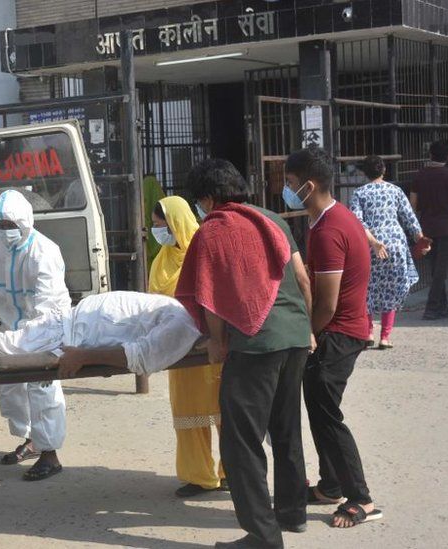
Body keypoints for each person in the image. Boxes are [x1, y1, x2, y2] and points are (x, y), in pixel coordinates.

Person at [176, 159, 313, 549]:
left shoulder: (214, 230)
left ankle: (262, 536)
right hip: (294, 335)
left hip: (255, 344)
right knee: (286, 429)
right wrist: (307, 330)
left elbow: (211, 296)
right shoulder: (273, 219)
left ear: (206, 197)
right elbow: (303, 279)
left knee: (241, 442)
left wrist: (217, 343)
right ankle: (292, 513)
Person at [284, 147, 382, 529]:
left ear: (308, 186)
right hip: (343, 328)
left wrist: (310, 332)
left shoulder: (329, 229)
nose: (288, 191)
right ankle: (330, 485)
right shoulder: (333, 218)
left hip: (339, 331)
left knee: (327, 414)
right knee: (320, 410)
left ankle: (362, 499)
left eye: (291, 185)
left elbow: (327, 301)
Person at [0, 190, 72, 481]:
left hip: (43, 331)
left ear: (26, 223)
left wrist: (24, 342)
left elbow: (46, 310)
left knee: (43, 390)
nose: (5, 232)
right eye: (0, 226)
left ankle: (50, 455)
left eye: (10, 226)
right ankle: (32, 440)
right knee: (13, 390)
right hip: (10, 328)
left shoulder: (44, 252)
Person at [149, 196, 226, 498]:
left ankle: (232, 471)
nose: (158, 232)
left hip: (211, 345)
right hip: (180, 349)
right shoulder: (162, 259)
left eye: (161, 226)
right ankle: (200, 476)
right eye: (155, 226)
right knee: (189, 411)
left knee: (224, 411)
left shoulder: (204, 250)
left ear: (175, 223)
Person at [0, 291, 202, 379]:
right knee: (3, 343)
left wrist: (83, 356)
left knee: (2, 346)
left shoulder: (184, 324)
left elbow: (139, 357)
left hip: (69, 336)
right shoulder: (183, 312)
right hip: (70, 321)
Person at [349, 155, 428, 349]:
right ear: (384, 170)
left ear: (364, 173)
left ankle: (368, 332)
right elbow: (409, 218)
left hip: (370, 246)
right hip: (396, 244)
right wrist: (421, 240)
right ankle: (385, 336)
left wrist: (374, 242)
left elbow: (357, 222)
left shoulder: (359, 193)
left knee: (367, 289)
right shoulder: (396, 191)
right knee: (391, 291)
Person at [410, 140, 448, 320]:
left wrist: (413, 227)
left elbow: (412, 203)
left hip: (427, 228)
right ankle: (432, 306)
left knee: (435, 268)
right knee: (441, 269)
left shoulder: (420, 175)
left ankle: (442, 307)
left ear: (430, 155)